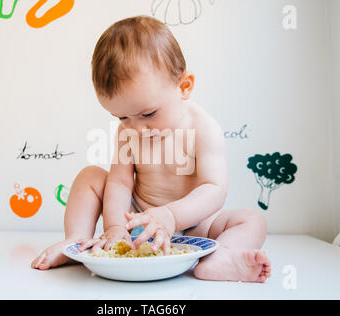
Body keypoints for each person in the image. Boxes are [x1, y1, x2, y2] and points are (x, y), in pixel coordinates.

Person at [31, 15, 271, 282]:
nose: (136, 128)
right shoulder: (128, 133)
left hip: (195, 228)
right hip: (137, 223)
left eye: (148, 114)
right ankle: (76, 241)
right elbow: (121, 183)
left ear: (183, 86)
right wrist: (115, 228)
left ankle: (221, 257)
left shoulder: (203, 128)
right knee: (90, 177)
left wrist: (171, 215)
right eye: (122, 117)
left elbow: (214, 189)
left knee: (252, 221)